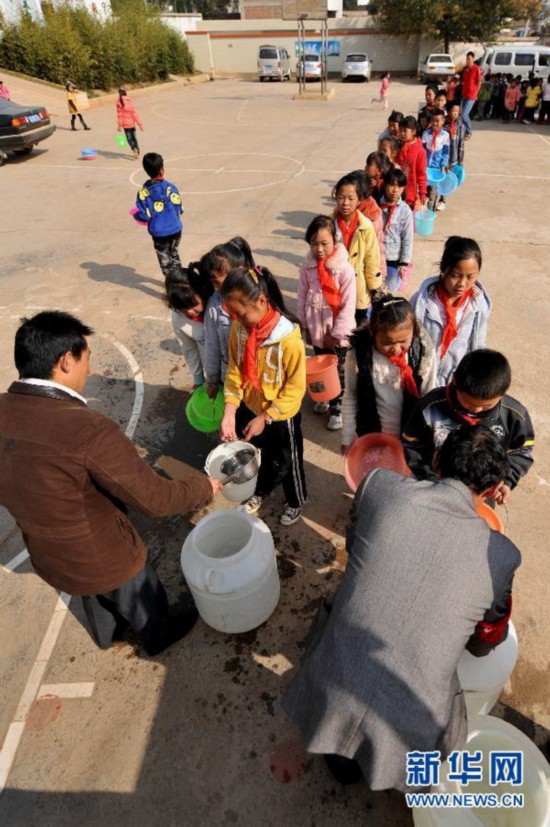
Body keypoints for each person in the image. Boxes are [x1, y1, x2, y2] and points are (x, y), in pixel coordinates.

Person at [283, 426, 521, 790]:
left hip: (334, 676)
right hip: (408, 718)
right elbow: (485, 640)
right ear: (490, 492)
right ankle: (384, 771)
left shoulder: (380, 486)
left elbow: (356, 539)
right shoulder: (501, 555)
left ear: (436, 460)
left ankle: (341, 759)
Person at [0, 312, 221, 654]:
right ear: (66, 361)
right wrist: (203, 488)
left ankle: (108, 636)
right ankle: (156, 636)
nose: (89, 369)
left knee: (88, 590)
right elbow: (153, 498)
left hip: (49, 555)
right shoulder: (87, 429)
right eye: (86, 359)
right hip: (106, 555)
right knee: (135, 594)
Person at [219, 266, 308, 526]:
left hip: (281, 414)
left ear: (260, 301)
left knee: (288, 461)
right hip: (250, 405)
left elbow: (294, 388)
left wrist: (266, 416)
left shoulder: (288, 339)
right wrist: (230, 410)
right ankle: (262, 490)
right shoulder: (239, 329)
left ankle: (297, 499)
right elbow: (235, 369)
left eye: (239, 312)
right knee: (262, 455)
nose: (236, 318)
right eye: (232, 313)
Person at [402, 349, 535, 505]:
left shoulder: (514, 416)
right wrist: (428, 478)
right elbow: (412, 443)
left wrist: (507, 480)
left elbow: (522, 451)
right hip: (435, 486)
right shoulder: (431, 406)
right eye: (469, 402)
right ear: (455, 381)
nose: (476, 410)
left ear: (502, 393)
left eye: (486, 407)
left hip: (483, 493)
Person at [341, 296, 436, 451]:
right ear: (372, 332)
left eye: (403, 341)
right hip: (372, 434)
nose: (396, 349)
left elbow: (429, 397)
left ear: (413, 331)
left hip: (410, 437)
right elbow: (350, 395)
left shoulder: (423, 354)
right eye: (387, 342)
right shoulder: (358, 355)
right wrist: (347, 437)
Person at [297, 215, 356, 431]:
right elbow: (302, 296)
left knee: (337, 372)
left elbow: (349, 306)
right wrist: (306, 326)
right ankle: (322, 397)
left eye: (325, 243)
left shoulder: (344, 270)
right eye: (314, 243)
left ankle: (337, 408)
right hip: (317, 332)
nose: (320, 249)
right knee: (319, 368)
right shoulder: (307, 268)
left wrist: (337, 333)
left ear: (335, 241)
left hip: (337, 337)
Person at [411, 236, 491, 387]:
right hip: (422, 378)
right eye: (456, 276)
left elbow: (478, 344)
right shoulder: (422, 302)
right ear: (443, 269)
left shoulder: (477, 306)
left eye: (470, 277)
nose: (462, 283)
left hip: (455, 382)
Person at [202, 236, 256, 399]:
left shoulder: (259, 299)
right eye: (215, 283)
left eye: (222, 282)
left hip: (259, 376)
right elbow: (212, 346)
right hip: (231, 376)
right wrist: (211, 380)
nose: (219, 288)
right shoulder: (214, 307)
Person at [332, 172, 382, 324]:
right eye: (341, 197)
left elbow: (372, 259)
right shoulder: (329, 226)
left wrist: (375, 288)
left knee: (357, 326)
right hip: (335, 287)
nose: (345, 203)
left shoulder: (366, 227)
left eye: (350, 198)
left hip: (358, 287)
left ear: (359, 200)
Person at [133, 152, 183, 280]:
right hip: (175, 229)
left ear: (146, 170)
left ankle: (172, 282)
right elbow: (179, 207)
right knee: (174, 253)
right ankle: (181, 280)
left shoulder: (143, 193)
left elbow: (145, 216)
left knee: (165, 260)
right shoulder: (171, 187)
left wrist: (136, 214)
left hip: (159, 233)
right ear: (162, 169)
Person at [164, 264, 213, 388]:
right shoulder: (178, 318)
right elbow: (189, 349)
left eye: (193, 304)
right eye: (182, 307)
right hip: (212, 372)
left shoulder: (217, 308)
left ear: (202, 292)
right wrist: (198, 379)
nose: (190, 311)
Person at [379, 168, 413, 293]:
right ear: (385, 185)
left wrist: (404, 264)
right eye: (391, 185)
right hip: (377, 255)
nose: (395, 190)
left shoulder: (405, 211)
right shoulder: (376, 206)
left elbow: (407, 239)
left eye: (399, 186)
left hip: (394, 259)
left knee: (389, 290)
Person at [422, 108, 450, 212]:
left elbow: (445, 153)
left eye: (437, 121)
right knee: (424, 190)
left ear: (443, 121)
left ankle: (430, 211)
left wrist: (443, 166)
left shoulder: (445, 136)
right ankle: (423, 209)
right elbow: (423, 150)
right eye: (433, 121)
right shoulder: (426, 134)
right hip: (426, 168)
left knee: (433, 191)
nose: (434, 123)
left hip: (436, 170)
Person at [397, 116, 428, 210]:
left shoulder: (420, 151)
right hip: (397, 192)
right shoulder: (398, 145)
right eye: (400, 130)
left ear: (413, 132)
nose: (402, 133)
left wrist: (422, 193)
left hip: (410, 195)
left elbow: (422, 175)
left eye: (405, 131)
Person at [116, 87, 143, 161]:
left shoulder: (119, 102)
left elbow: (120, 115)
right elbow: (134, 113)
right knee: (134, 138)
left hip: (126, 125)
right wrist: (140, 124)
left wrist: (119, 125)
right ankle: (138, 151)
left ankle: (134, 149)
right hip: (132, 124)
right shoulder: (129, 101)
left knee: (129, 139)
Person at [460, 52, 483, 139]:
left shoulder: (476, 68)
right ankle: (465, 132)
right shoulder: (465, 69)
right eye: (467, 59)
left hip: (471, 96)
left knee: (464, 115)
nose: (468, 60)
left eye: (469, 59)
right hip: (465, 94)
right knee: (464, 115)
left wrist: (476, 93)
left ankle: (469, 132)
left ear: (473, 59)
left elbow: (479, 82)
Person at [446, 101, 466, 168]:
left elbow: (461, 145)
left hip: (455, 159)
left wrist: (460, 162)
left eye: (457, 111)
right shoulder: (443, 125)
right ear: (448, 111)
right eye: (453, 110)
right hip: (445, 158)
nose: (455, 113)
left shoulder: (461, 126)